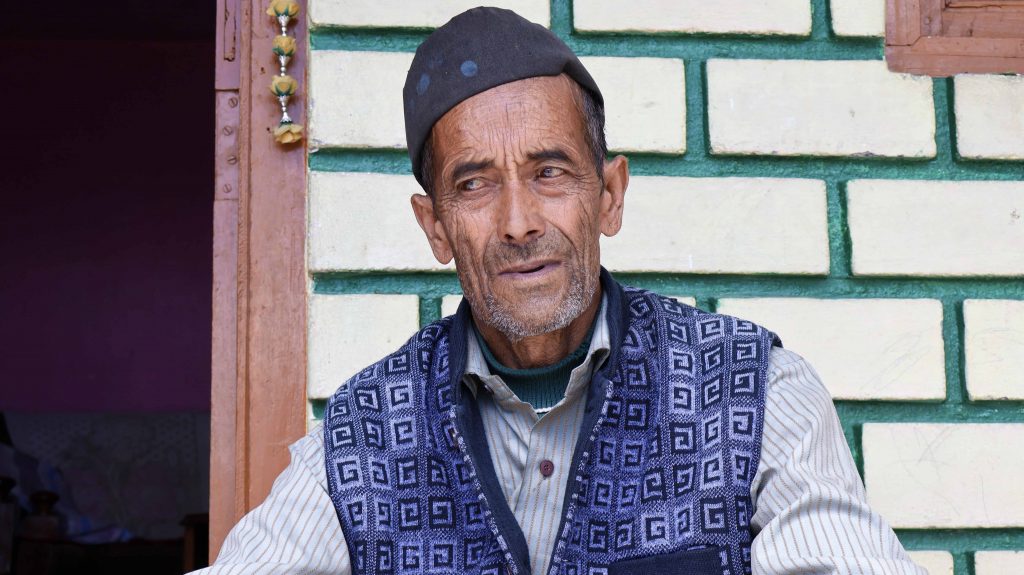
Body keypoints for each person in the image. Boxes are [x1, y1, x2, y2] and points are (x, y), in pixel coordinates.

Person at [194, 7, 925, 575]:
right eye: (474, 184)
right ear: (436, 226)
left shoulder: (756, 392)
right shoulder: (359, 436)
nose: (519, 222)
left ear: (609, 194)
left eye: (551, 172)